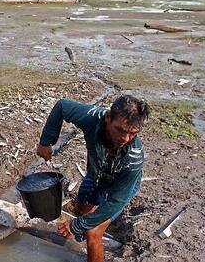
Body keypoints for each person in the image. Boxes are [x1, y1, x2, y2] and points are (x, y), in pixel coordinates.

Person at [36, 95, 150, 262]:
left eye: (133, 133)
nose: (125, 138)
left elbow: (115, 201)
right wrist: (46, 141)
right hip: (97, 173)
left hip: (121, 186)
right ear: (108, 118)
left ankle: (92, 242)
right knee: (81, 211)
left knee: (93, 230)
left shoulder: (133, 157)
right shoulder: (92, 117)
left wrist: (80, 225)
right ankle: (79, 246)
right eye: (120, 130)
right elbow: (62, 106)